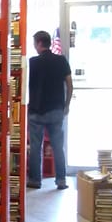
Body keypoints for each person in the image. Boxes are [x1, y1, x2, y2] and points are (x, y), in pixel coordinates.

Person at [27, 30, 72, 190]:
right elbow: (69, 83)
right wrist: (66, 105)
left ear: (39, 43)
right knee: (58, 146)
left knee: (35, 147)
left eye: (34, 43)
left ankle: (35, 180)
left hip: (36, 110)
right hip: (55, 109)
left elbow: (25, 86)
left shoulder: (32, 62)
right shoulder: (61, 61)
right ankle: (61, 180)